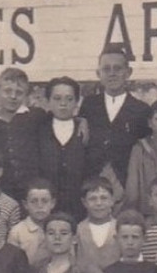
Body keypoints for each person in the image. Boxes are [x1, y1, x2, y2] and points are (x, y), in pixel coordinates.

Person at [10, 76, 98, 216]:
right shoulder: (38, 128)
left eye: (69, 99)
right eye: (57, 99)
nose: (63, 104)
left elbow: (91, 170)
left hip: (78, 209)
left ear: (77, 102)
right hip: (44, 209)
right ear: (48, 101)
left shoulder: (86, 131)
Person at [80, 43, 152, 193]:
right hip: (93, 183)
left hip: (127, 184)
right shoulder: (89, 105)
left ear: (128, 72)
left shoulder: (141, 109)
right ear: (98, 73)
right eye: (106, 69)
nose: (112, 74)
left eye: (118, 68)